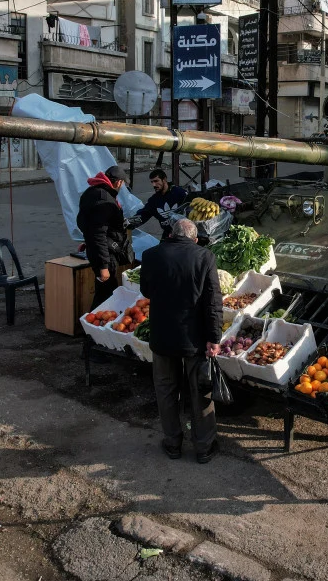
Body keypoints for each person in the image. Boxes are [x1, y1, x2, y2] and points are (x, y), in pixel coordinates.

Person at [139, 219, 222, 463]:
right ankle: (204, 447)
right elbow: (212, 301)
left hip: (163, 335)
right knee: (200, 391)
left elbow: (146, 291)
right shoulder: (204, 256)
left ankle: (173, 443)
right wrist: (214, 337)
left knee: (165, 390)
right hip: (194, 337)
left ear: (170, 235)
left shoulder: (151, 255)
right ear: (194, 239)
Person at [77, 165, 131, 308]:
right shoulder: (105, 201)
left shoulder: (91, 192)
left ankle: (95, 325)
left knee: (105, 292)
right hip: (105, 254)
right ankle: (93, 326)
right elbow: (99, 234)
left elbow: (83, 223)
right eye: (122, 184)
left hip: (97, 250)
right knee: (106, 295)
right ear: (118, 182)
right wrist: (104, 266)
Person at [126, 168, 188, 238]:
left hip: (184, 233)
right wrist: (127, 223)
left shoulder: (179, 193)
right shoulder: (154, 200)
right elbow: (143, 215)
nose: (154, 185)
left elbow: (191, 208)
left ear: (164, 180)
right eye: (152, 182)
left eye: (156, 181)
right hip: (168, 234)